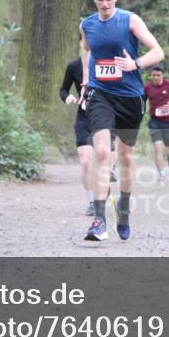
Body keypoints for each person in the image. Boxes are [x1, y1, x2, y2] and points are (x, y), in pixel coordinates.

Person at [80, 0, 164, 241]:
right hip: (100, 93)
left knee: (126, 157)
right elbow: (85, 50)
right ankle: (99, 220)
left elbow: (158, 51)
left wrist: (135, 64)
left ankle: (124, 208)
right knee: (102, 152)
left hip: (130, 96)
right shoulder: (86, 24)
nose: (104, 4)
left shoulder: (130, 20)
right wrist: (85, 80)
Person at [59, 55, 116, 216]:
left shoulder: (108, 63)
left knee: (103, 157)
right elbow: (63, 89)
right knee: (85, 162)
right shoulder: (74, 66)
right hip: (84, 118)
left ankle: (109, 173)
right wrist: (67, 97)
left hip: (105, 117)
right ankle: (92, 201)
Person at [143, 65, 169, 183]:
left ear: (162, 75)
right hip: (155, 121)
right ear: (151, 76)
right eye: (153, 75)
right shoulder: (147, 87)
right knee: (157, 148)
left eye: (158, 75)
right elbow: (141, 100)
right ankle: (161, 174)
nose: (155, 78)